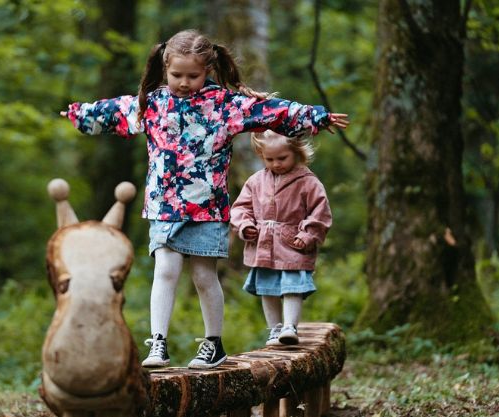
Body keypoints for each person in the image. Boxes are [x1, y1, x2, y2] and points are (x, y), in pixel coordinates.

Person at [60, 29, 348, 369]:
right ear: (165, 69)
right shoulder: (152, 103)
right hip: (164, 206)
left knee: (202, 277)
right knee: (165, 270)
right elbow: (116, 111)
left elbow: (272, 112)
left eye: (193, 76)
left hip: (207, 208)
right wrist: (81, 115)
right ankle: (159, 343)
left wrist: (315, 117)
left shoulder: (224, 106)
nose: (184, 82)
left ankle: (213, 343)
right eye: (177, 75)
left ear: (207, 71)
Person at [230, 130, 333, 346]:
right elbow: (241, 208)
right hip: (263, 246)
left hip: (293, 245)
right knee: (268, 288)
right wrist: (245, 225)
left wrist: (309, 234)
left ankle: (290, 327)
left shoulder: (308, 182)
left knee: (292, 286)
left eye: (282, 158)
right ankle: (274, 329)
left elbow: (320, 212)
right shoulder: (256, 181)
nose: (276, 164)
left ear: (296, 152)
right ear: (261, 156)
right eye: (269, 159)